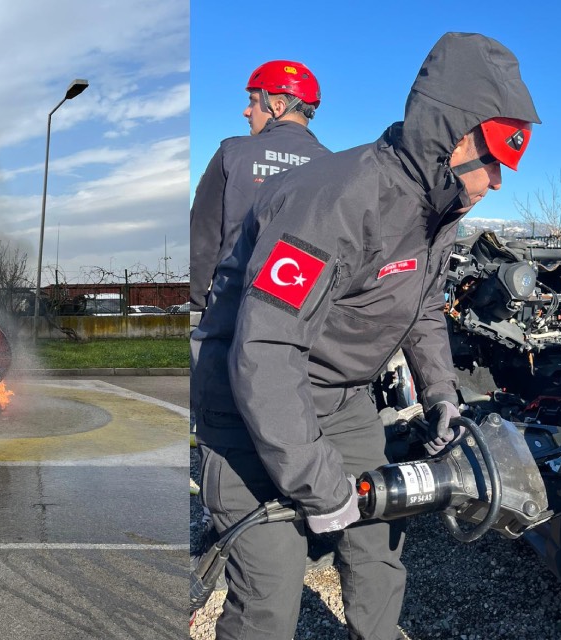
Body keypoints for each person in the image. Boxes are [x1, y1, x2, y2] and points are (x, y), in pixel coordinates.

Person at [191, 33, 540, 639]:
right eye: (494, 162)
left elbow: (425, 306)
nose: (498, 182)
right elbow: (266, 349)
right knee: (271, 591)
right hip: (249, 402)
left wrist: (441, 397)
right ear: (450, 136)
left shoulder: (439, 211)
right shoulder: (338, 200)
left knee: (378, 545)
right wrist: (318, 484)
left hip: (344, 397)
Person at [189, 59, 331, 319]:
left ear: (277, 106)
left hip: (231, 308)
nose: (246, 111)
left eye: (253, 101)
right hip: (301, 313)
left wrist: (197, 302)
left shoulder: (231, 154)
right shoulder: (333, 166)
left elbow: (203, 235)